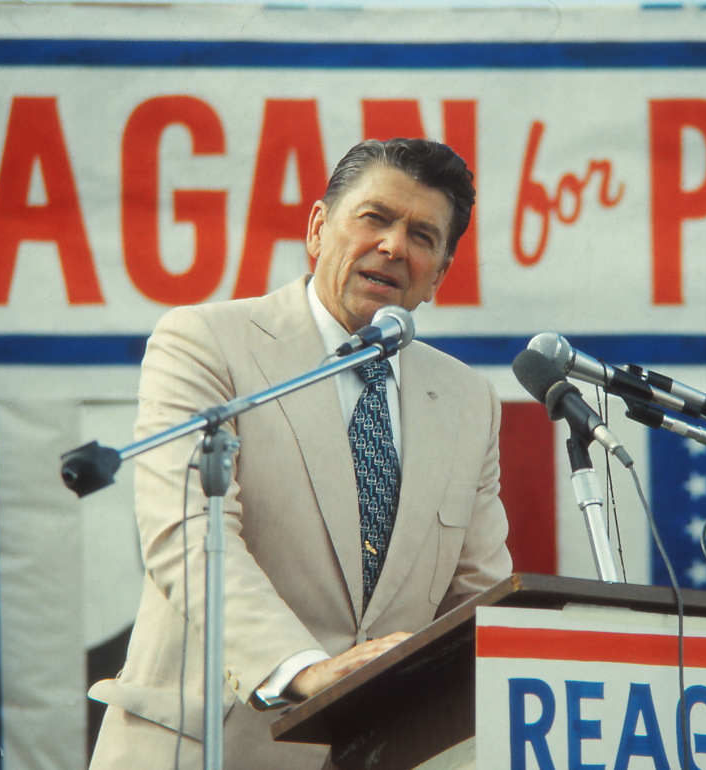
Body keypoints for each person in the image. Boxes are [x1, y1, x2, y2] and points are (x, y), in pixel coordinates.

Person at [88, 139, 513, 769]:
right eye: (375, 218)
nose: (395, 246)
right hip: (208, 750)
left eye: (423, 235)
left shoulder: (467, 400)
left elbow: (481, 602)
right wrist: (307, 671)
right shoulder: (206, 343)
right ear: (318, 228)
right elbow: (188, 534)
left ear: (439, 275)